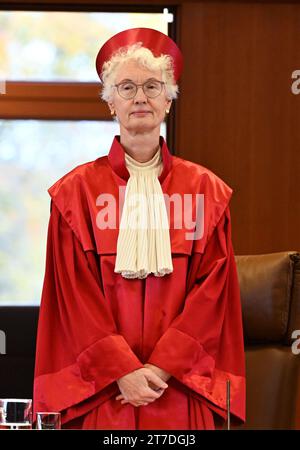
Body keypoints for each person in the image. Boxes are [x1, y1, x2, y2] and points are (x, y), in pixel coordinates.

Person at [33, 28, 246, 430]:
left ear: (169, 99)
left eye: (152, 86)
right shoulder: (74, 195)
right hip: (104, 390)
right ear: (110, 102)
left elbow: (212, 295)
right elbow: (74, 296)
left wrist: (161, 369)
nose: (140, 97)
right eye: (126, 87)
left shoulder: (207, 192)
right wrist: (122, 371)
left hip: (178, 389)